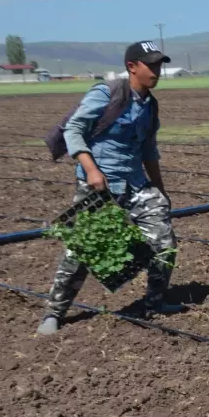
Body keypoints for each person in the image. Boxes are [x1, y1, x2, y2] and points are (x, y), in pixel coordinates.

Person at [37, 41, 180, 335]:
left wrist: (160, 190)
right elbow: (75, 130)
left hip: (135, 183)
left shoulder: (150, 105)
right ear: (132, 67)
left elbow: (149, 151)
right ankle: (54, 312)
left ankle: (154, 302)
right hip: (99, 183)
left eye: (159, 65)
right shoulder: (107, 93)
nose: (157, 71)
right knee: (82, 251)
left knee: (164, 240)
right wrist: (91, 170)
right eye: (151, 65)